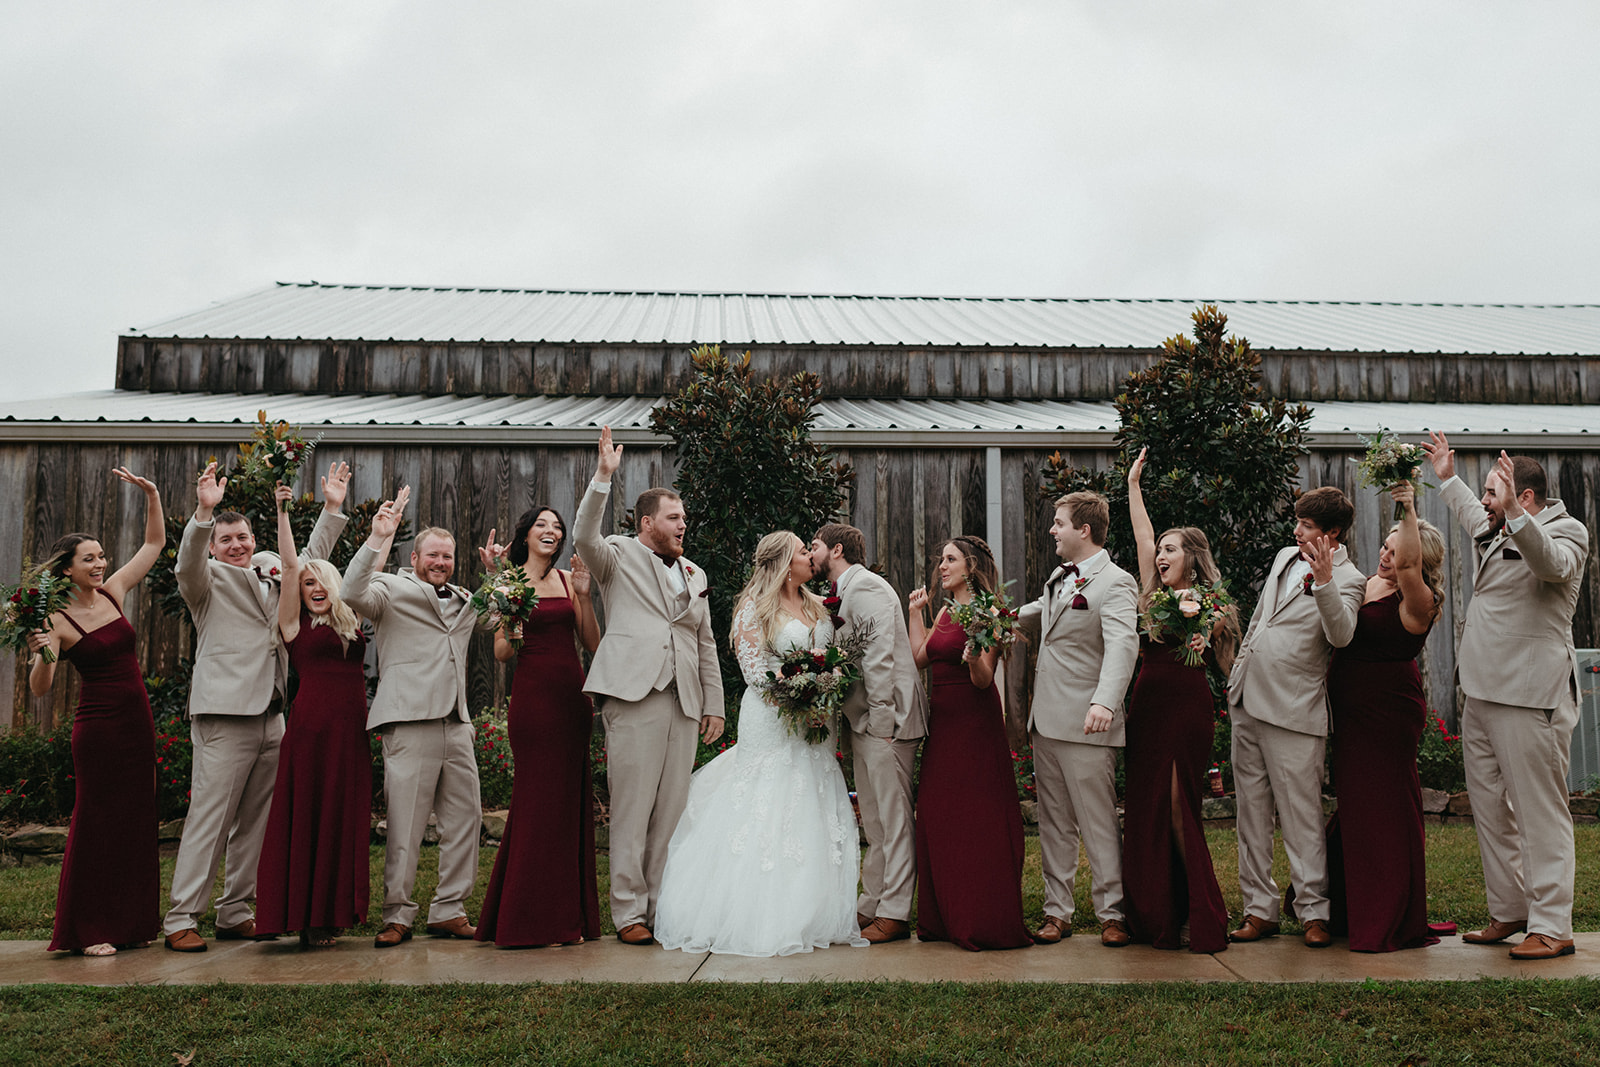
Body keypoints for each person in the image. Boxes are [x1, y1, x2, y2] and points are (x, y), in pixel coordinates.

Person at [163, 461, 349, 953]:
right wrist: (204, 514)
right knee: (210, 817)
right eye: (227, 540)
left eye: (242, 537)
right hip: (225, 716)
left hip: (275, 716)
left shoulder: (273, 576)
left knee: (257, 822)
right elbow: (186, 565)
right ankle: (182, 916)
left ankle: (235, 910)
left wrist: (332, 509)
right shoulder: (205, 584)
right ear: (216, 546)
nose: (238, 546)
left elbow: (306, 563)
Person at [654, 532, 867, 956]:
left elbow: (830, 658)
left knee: (812, 803)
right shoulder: (755, 608)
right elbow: (755, 672)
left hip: (815, 724)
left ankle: (812, 910)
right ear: (786, 562)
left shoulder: (815, 604)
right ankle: (757, 913)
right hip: (772, 718)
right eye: (804, 551)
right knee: (768, 804)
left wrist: (824, 688)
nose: (811, 556)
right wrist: (799, 695)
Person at [1423, 438, 1590, 961]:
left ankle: (1552, 925)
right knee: (1491, 809)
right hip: (1482, 689)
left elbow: (1550, 566)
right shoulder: (1497, 527)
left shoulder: (1568, 532)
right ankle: (1510, 909)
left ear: (1527, 496)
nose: (1487, 500)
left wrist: (1514, 512)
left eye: (1494, 492)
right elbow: (1477, 518)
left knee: (1540, 812)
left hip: (1529, 693)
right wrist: (1448, 478)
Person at [574, 426, 724, 945]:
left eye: (684, 518)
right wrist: (603, 478)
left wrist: (715, 705)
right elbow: (583, 537)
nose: (684, 525)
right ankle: (628, 913)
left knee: (672, 811)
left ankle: (663, 908)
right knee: (632, 809)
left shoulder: (696, 572)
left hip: (684, 700)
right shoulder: (616, 555)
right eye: (674, 517)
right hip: (633, 695)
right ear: (647, 522)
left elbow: (705, 642)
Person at [342, 488, 494, 948]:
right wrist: (377, 538)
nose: (441, 562)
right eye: (433, 554)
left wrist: (498, 574)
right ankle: (398, 914)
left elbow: (500, 617)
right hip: (409, 722)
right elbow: (350, 591)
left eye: (447, 556)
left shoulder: (468, 597)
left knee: (465, 819)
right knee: (406, 824)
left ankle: (450, 909)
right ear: (415, 558)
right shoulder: (390, 589)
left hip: (457, 722)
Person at [27, 468, 166, 956]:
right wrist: (43, 652)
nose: (102, 563)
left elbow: (152, 545)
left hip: (136, 722)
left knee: (134, 819)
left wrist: (151, 494)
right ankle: (89, 930)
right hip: (99, 730)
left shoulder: (113, 593)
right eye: (91, 558)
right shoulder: (55, 620)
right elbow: (40, 689)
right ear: (67, 569)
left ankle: (130, 923)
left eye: (103, 555)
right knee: (98, 822)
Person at [1226, 486, 1364, 949]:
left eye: (1306, 525)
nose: (1297, 531)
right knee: (1251, 813)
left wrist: (1324, 581)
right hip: (1247, 701)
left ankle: (1313, 912)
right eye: (1298, 523)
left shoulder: (1350, 579)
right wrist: (1236, 678)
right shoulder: (1286, 557)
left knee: (1302, 816)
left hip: (1294, 710)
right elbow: (1261, 620)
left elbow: (1341, 636)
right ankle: (1258, 909)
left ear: (1332, 533)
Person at [1308, 481, 1443, 952]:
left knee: (1383, 810)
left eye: (1394, 549)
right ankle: (1349, 909)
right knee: (1357, 809)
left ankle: (1387, 917)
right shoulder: (1365, 582)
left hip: (1388, 716)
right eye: (1383, 546)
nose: (1386, 555)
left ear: (1417, 559)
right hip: (1349, 713)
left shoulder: (1417, 599)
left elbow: (1406, 563)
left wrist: (1407, 504)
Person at [1120, 449, 1236, 953]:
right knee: (1147, 808)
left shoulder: (1215, 605)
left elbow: (1232, 668)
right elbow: (1143, 536)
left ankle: (1202, 912)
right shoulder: (1152, 594)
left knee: (1176, 805)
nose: (1161, 555)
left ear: (1193, 555)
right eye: (1160, 550)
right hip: (1146, 707)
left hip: (1188, 710)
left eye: (1172, 549)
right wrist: (1133, 486)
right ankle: (1154, 916)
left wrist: (1207, 634)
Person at [475, 505, 603, 948]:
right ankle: (525, 918)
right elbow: (503, 654)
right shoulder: (509, 583)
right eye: (541, 526)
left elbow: (591, 644)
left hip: (573, 701)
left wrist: (585, 597)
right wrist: (504, 600)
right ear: (525, 535)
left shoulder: (570, 580)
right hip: (534, 704)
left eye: (557, 527)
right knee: (536, 805)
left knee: (568, 807)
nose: (551, 531)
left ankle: (567, 917)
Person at [1016, 491, 1140, 947]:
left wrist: (1105, 702)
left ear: (1083, 530)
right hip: (1045, 719)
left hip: (1089, 721)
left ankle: (1112, 913)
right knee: (1054, 822)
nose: (1053, 529)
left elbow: (1124, 645)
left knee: (1098, 821)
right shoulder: (1059, 575)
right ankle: (1057, 911)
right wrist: (1004, 617)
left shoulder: (1117, 583)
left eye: (1059, 522)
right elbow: (1044, 612)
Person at [254, 484, 374, 947]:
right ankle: (302, 916)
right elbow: (288, 565)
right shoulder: (292, 624)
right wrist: (283, 510)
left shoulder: (351, 623)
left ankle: (333, 914)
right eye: (308, 583)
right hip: (310, 734)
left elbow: (366, 573)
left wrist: (381, 533)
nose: (316, 587)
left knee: (342, 819)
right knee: (307, 817)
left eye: (322, 581)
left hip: (351, 735)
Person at [905, 536, 1032, 951]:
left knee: (976, 819)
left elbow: (982, 679)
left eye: (950, 559)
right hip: (942, 727)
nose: (941, 566)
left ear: (970, 566)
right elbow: (920, 657)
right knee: (941, 816)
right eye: (941, 559)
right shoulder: (944, 610)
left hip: (975, 726)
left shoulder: (990, 612)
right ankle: (943, 916)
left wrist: (976, 651)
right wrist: (914, 614)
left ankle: (979, 915)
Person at [808, 523, 928, 944]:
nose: (811, 553)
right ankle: (872, 901)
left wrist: (880, 723)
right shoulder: (842, 592)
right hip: (865, 721)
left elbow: (879, 660)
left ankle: (895, 912)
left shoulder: (869, 588)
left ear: (836, 549)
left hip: (888, 721)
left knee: (893, 820)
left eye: (816, 546)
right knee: (874, 818)